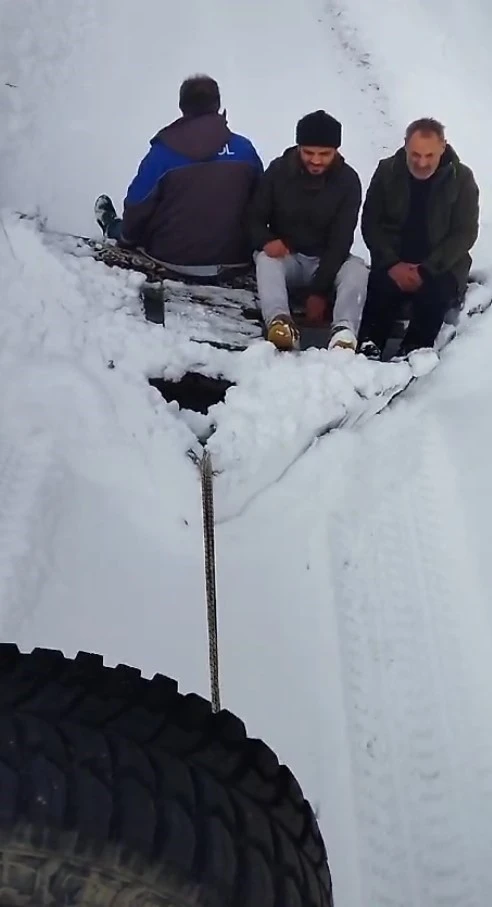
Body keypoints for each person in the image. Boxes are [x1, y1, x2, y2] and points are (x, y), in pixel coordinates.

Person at [94, 74, 263, 278]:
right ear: (217, 105)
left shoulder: (164, 152)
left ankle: (112, 228)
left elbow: (138, 204)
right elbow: (262, 202)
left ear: (182, 106)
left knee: (127, 227)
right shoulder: (244, 150)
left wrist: (127, 238)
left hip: (172, 258)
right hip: (236, 259)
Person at [247, 109, 368, 351]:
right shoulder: (278, 172)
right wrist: (266, 240)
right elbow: (252, 217)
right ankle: (280, 323)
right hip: (287, 256)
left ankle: (344, 332)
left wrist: (319, 292)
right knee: (265, 260)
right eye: (309, 152)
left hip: (328, 260)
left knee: (357, 269)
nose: (315, 160)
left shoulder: (348, 181)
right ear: (298, 147)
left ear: (336, 151)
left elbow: (341, 239)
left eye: (324, 154)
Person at [358, 117, 480, 359]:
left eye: (429, 155)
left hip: (441, 265)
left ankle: (413, 351)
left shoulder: (461, 178)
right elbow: (371, 222)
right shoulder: (387, 171)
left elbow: (465, 232)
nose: (421, 162)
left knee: (435, 292)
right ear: (405, 145)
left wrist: (427, 269)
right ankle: (369, 346)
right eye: (415, 154)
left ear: (443, 147)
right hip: (394, 260)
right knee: (381, 287)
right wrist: (392, 263)